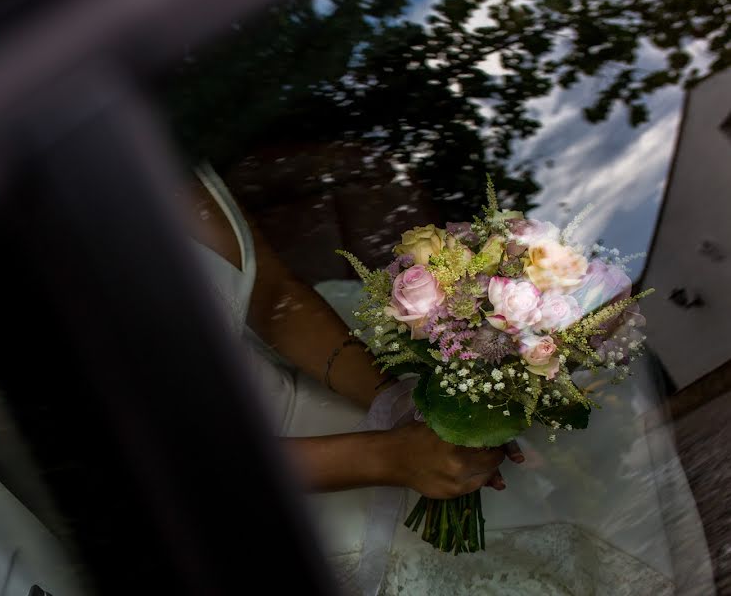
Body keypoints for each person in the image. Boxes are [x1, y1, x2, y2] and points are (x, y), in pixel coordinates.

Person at [189, 165, 715, 595]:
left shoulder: (150, 156)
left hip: (317, 386)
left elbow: (275, 301)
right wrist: (385, 457)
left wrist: (396, 404)